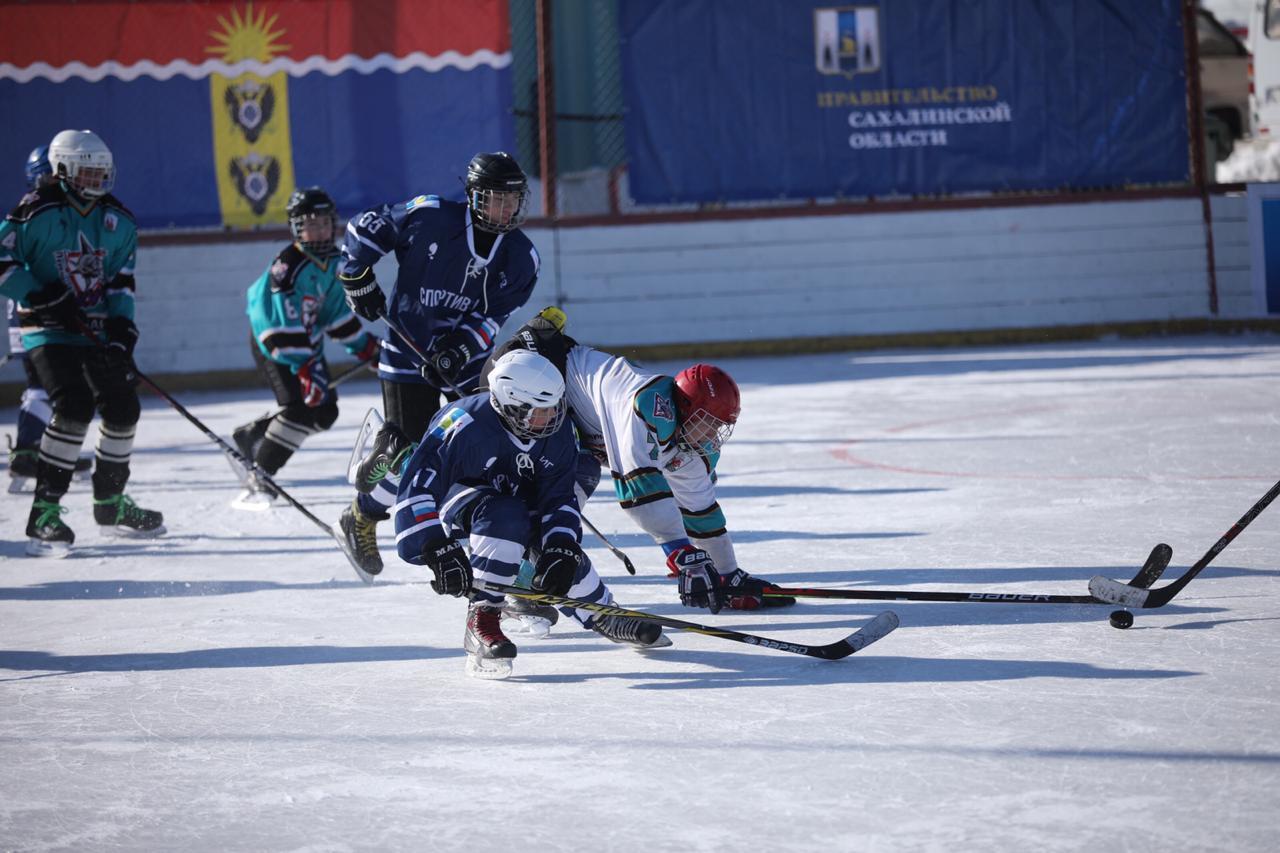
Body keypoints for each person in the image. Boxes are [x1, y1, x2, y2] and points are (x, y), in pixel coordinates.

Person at [484, 308, 797, 620]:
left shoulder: (690, 439)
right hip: (540, 380)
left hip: (571, 412)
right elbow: (640, 492)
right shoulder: (644, 407)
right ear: (687, 408)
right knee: (572, 479)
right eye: (709, 422)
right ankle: (517, 579)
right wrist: (681, 554)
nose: (713, 434)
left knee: (574, 474)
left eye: (720, 426)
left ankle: (528, 573)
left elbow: (700, 510)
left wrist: (727, 573)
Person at [392, 349, 665, 678]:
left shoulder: (557, 430)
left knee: (549, 544)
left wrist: (561, 546)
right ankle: (483, 618)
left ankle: (601, 611)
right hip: (463, 500)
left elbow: (558, 499)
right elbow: (418, 487)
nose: (551, 417)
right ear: (509, 404)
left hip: (515, 494)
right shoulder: (461, 423)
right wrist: (434, 546)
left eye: (555, 407)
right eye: (540, 411)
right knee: (506, 514)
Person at [333, 151, 541, 580]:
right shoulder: (430, 215)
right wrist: (356, 273)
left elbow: (490, 320)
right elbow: (365, 228)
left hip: (466, 365)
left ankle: (502, 541)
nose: (505, 208)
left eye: (512, 199)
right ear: (473, 196)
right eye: (495, 198)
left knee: (490, 450)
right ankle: (362, 514)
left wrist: (460, 351)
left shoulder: (522, 257)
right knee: (410, 453)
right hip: (407, 350)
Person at [0, 129, 163, 556]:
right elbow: (3, 263)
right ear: (62, 170)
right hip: (47, 328)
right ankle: (44, 513)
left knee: (124, 407)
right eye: (88, 170)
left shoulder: (119, 221)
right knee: (72, 405)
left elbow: (121, 283)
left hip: (95, 329)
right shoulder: (33, 212)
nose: (98, 179)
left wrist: (122, 332)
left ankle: (110, 503)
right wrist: (39, 294)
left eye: (103, 171)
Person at [231, 187, 379, 502]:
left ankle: (253, 435)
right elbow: (276, 324)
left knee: (324, 412)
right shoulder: (287, 266)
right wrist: (305, 366)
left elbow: (336, 316)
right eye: (311, 223)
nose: (320, 230)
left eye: (325, 222)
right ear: (297, 227)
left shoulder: (334, 264)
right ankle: (261, 473)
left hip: (306, 349)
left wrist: (365, 348)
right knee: (300, 410)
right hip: (276, 346)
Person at [5, 145, 92, 492]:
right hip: (31, 310)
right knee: (42, 383)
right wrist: (42, 295)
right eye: (50, 175)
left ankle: (41, 450)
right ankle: (28, 452)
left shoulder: (57, 209)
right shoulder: (32, 210)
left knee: (55, 385)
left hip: (41, 308)